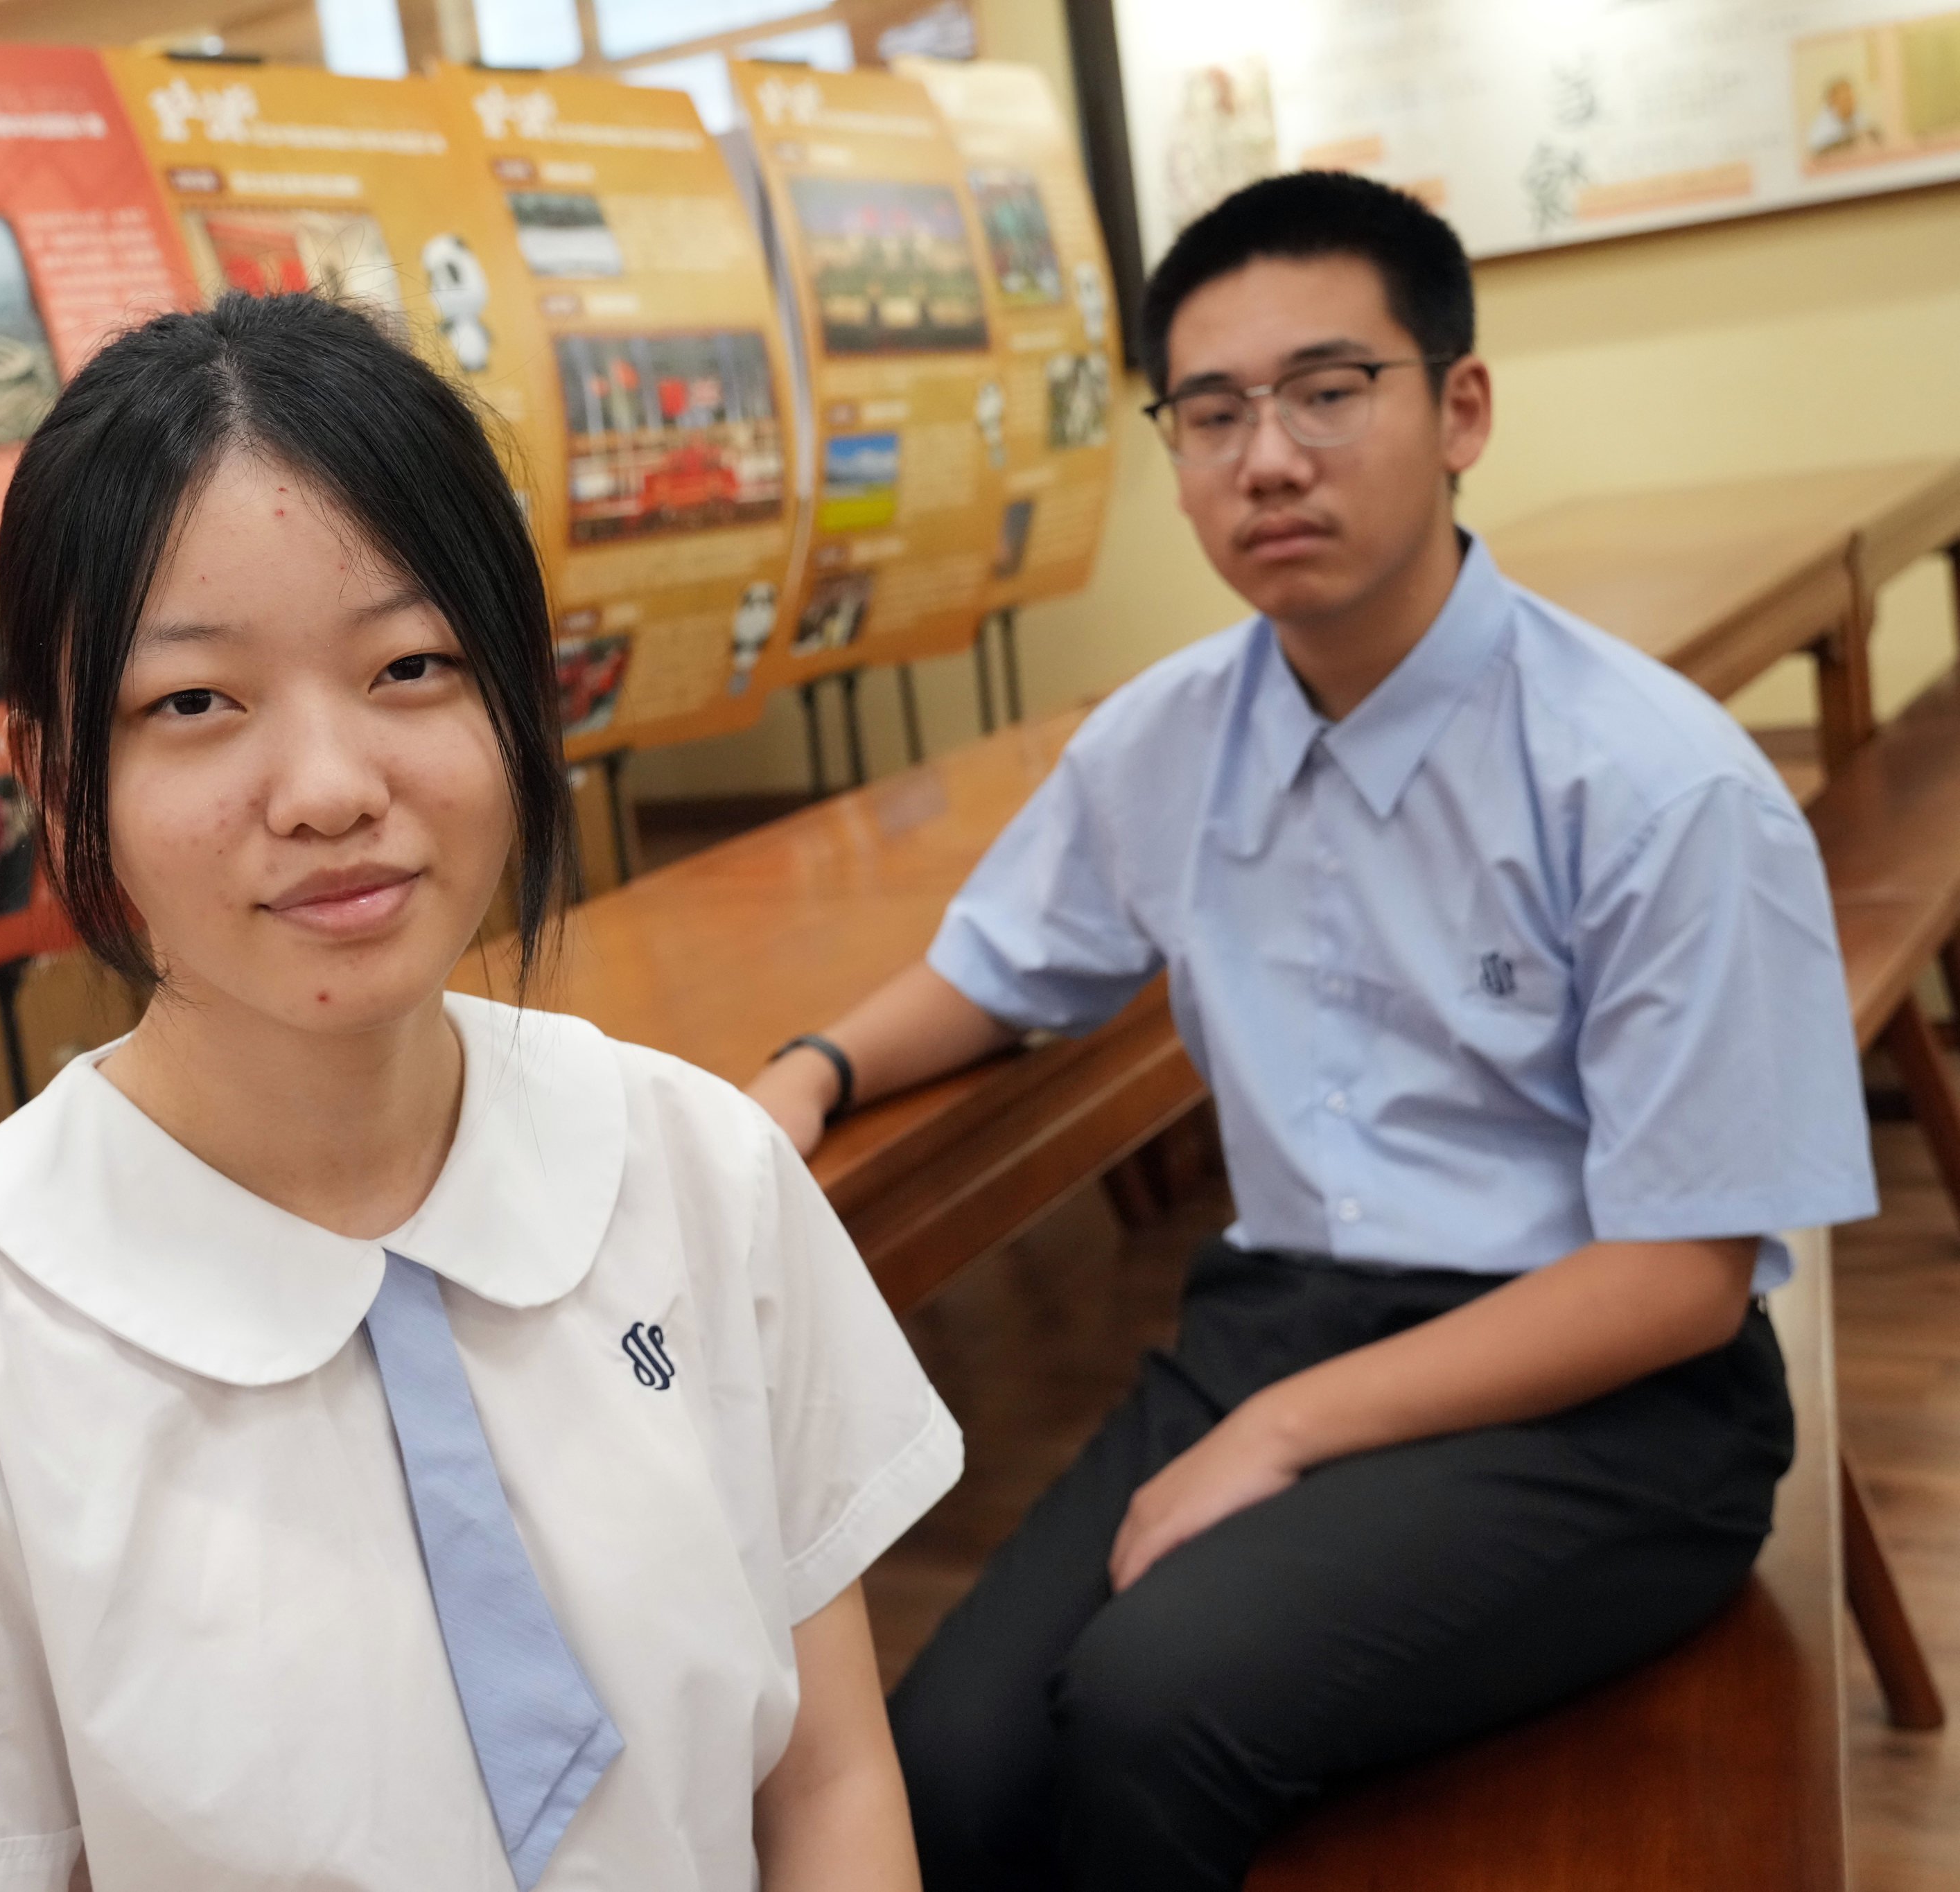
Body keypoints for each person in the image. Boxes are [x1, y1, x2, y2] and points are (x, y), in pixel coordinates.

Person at [0, 291, 961, 1892]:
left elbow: (824, 1782)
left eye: (411, 664)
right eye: (193, 704)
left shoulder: (696, 1164)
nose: (332, 790)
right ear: (53, 777)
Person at [746, 170, 1876, 1891]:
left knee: (1147, 1707)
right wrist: (810, 1075)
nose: (1265, 457)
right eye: (1209, 414)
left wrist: (1280, 1432)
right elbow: (1005, 968)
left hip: (1609, 1396)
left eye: (1326, 391)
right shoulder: (1164, 739)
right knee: (942, 1770)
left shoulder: (1655, 788)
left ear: (1458, 409)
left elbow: (1678, 1281)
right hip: (1274, 1322)